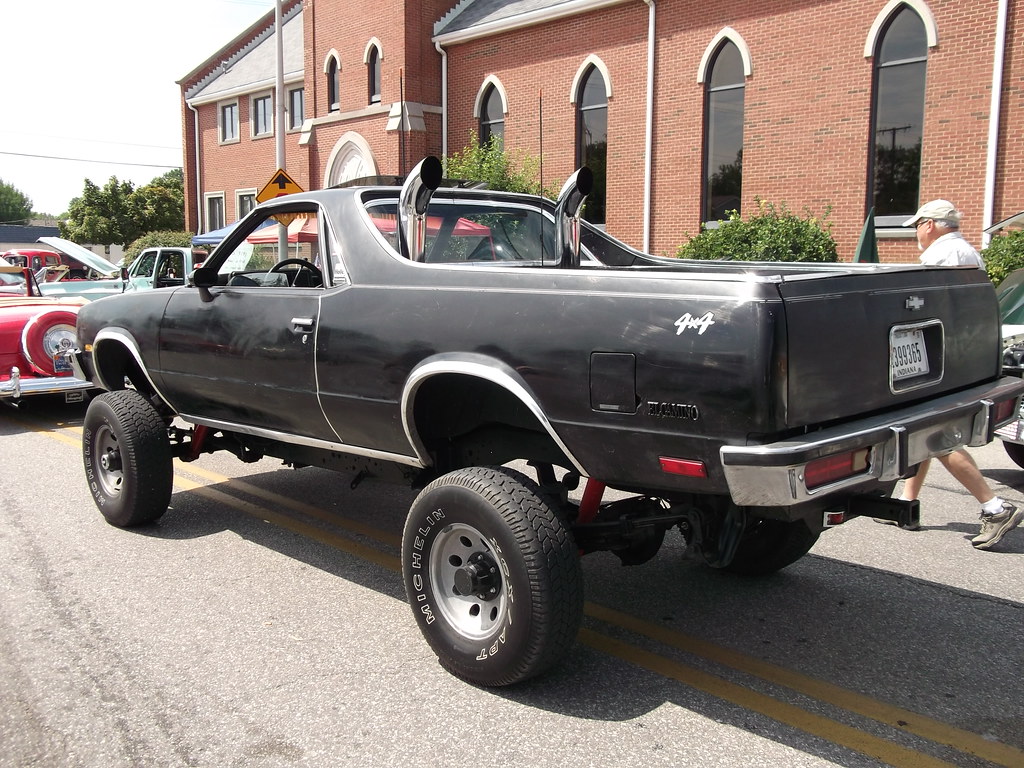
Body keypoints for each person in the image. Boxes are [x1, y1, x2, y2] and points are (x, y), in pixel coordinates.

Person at [878, 200, 1023, 550]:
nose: (916, 232)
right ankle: (907, 502)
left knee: (940, 436)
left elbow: (919, 309)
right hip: (956, 354)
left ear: (930, 224)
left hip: (937, 355)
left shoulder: (941, 257)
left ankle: (995, 506)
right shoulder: (968, 251)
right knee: (925, 428)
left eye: (917, 225)